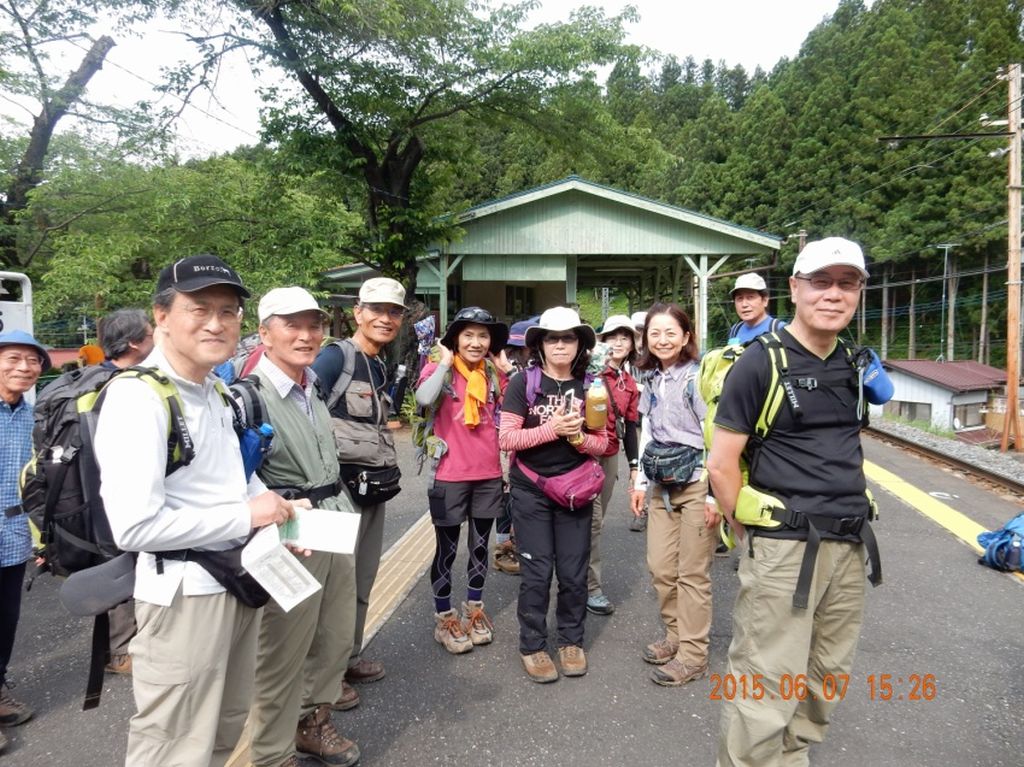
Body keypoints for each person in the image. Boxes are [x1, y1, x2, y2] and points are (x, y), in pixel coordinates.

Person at [93, 254, 297, 766]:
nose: (216, 322)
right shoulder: (137, 399)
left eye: (228, 311)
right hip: (183, 597)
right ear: (160, 316)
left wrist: (277, 514)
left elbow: (233, 480)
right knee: (173, 745)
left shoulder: (217, 392)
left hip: (236, 581)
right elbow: (134, 525)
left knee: (224, 732)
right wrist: (248, 517)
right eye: (199, 308)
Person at [708, 237, 881, 766]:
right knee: (765, 682)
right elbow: (721, 463)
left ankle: (790, 760)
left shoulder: (854, 361)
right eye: (821, 282)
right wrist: (752, 533)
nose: (834, 294)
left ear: (858, 293)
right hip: (787, 545)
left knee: (825, 679)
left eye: (846, 284)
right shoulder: (758, 364)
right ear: (795, 288)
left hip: (849, 544)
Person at [247, 287, 360, 767]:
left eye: (313, 324)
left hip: (333, 514)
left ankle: (314, 722)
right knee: (284, 644)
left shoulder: (310, 383)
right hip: (290, 529)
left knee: (334, 633)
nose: (306, 334)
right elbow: (235, 472)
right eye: (290, 324)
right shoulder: (248, 395)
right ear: (264, 333)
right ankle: (272, 753)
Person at [498, 307, 608, 683]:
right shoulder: (522, 384)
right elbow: (507, 438)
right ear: (540, 345)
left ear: (580, 344)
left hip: (575, 489)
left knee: (575, 572)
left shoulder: (591, 386)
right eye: (552, 338)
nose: (560, 345)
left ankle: (571, 641)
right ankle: (532, 645)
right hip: (531, 489)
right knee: (537, 571)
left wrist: (576, 437)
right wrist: (552, 428)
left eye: (568, 337)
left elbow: (602, 442)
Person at [312, 277, 405, 689]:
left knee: (363, 579)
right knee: (331, 588)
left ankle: (349, 656)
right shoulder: (335, 359)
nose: (385, 318)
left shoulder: (379, 364)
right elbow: (304, 418)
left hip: (372, 488)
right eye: (377, 310)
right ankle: (323, 679)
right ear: (358, 313)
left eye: (394, 312)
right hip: (335, 496)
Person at [630, 303, 718, 687]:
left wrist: (716, 495)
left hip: (698, 482)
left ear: (686, 337)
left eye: (670, 333)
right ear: (645, 339)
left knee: (692, 574)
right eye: (655, 333)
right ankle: (675, 635)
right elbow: (647, 428)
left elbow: (717, 435)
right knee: (661, 568)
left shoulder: (698, 380)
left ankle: (693, 654)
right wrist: (639, 484)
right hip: (662, 483)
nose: (662, 340)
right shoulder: (650, 378)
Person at [415, 307, 509, 654]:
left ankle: (474, 610)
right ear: (455, 339)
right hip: (450, 475)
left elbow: (513, 417)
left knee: (481, 548)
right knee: (448, 550)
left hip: (488, 474)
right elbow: (424, 399)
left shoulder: (495, 375)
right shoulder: (437, 369)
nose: (476, 342)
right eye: (468, 335)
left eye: (483, 336)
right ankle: (445, 618)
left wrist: (508, 371)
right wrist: (442, 362)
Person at [97, 308, 156, 675]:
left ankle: (120, 647)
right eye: (150, 333)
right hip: (115, 499)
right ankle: (122, 650)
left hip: (93, 499)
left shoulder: (93, 381)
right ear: (135, 342)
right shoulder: (129, 388)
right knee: (123, 568)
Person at [0, 330, 50, 752]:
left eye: (33, 362)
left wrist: (40, 540)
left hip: (13, 537)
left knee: (5, 625)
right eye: (13, 358)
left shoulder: (32, 416)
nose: (24, 368)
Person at [585, 315, 640, 617]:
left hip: (609, 456)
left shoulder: (629, 383)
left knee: (595, 522)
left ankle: (574, 575)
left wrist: (633, 465)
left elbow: (630, 425)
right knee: (591, 523)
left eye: (625, 337)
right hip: (582, 454)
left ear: (633, 344)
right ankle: (591, 587)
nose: (618, 342)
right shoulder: (589, 370)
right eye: (612, 336)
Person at [492, 315, 537, 576]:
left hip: (526, 439)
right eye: (515, 348)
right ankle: (504, 546)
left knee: (516, 493)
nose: (518, 354)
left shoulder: (531, 369)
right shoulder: (502, 369)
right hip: (503, 437)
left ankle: (516, 544)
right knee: (506, 492)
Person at [627, 310, 649, 532]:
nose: (640, 335)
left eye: (644, 330)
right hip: (633, 416)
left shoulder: (658, 352)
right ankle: (640, 510)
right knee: (637, 465)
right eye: (637, 331)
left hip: (652, 415)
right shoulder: (627, 356)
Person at [727, 273, 785, 344]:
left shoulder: (780, 330)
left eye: (750, 297)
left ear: (765, 300)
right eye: (739, 298)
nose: (744, 304)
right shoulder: (735, 330)